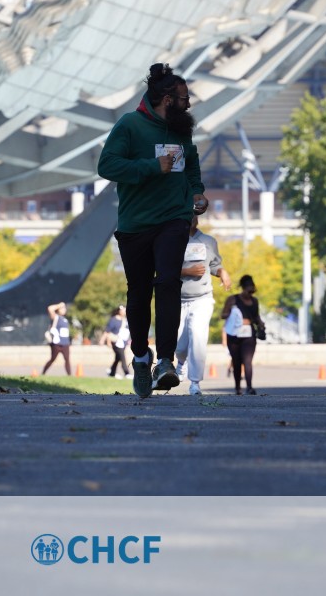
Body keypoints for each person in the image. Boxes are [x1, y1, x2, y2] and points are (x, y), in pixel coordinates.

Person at [97, 63, 209, 399]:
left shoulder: (180, 130)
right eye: (184, 98)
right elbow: (107, 165)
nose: (188, 104)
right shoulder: (129, 125)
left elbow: (191, 164)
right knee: (139, 292)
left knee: (169, 281)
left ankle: (165, 361)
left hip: (174, 219)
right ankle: (141, 357)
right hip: (136, 224)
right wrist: (150, 166)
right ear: (166, 99)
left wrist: (197, 192)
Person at [176, 214, 231, 395]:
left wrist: (222, 272)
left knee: (198, 337)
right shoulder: (172, 239)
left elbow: (214, 265)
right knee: (179, 346)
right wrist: (187, 271)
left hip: (202, 298)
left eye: (194, 215)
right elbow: (163, 268)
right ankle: (181, 362)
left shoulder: (209, 241)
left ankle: (195, 382)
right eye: (187, 214)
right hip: (178, 299)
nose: (192, 218)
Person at [221, 274, 264, 395]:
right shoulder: (233, 299)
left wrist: (261, 324)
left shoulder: (254, 301)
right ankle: (237, 388)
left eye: (252, 292)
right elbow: (223, 315)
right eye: (248, 291)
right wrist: (234, 314)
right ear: (243, 288)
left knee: (247, 361)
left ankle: (249, 387)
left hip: (249, 335)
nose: (250, 294)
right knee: (236, 361)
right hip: (234, 334)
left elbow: (256, 316)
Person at [101, 305, 131, 379]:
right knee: (122, 357)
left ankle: (111, 373)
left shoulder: (126, 320)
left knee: (118, 358)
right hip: (116, 341)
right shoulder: (113, 320)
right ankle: (127, 373)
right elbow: (107, 331)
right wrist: (103, 340)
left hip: (123, 342)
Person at [42, 302, 71, 376]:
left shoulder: (65, 319)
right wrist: (59, 305)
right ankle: (43, 372)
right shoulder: (56, 317)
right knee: (53, 359)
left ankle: (69, 375)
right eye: (62, 308)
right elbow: (50, 308)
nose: (64, 309)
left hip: (65, 343)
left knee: (67, 359)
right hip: (57, 343)